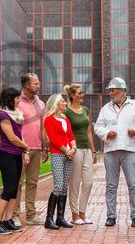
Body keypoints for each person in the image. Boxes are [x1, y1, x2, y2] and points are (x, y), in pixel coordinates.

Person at [94, 77, 135, 228]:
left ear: (122, 90)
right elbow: (97, 127)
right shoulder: (105, 108)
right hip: (111, 150)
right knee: (111, 185)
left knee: (133, 184)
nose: (111, 93)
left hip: (130, 150)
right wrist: (106, 133)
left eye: (113, 90)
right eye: (110, 90)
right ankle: (111, 216)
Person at [0, 87, 29, 235]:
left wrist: (24, 150)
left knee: (14, 189)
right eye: (17, 98)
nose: (19, 100)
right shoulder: (2, 115)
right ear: (10, 98)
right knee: (8, 189)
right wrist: (26, 146)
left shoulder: (17, 114)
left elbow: (20, 135)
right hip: (5, 154)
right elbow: (12, 138)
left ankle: (8, 220)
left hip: (16, 154)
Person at [13, 73, 48, 226]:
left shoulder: (41, 103)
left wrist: (45, 147)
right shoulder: (16, 101)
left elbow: (43, 126)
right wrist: (22, 147)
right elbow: (13, 126)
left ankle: (31, 215)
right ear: (26, 85)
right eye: (35, 83)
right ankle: (14, 216)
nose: (39, 85)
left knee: (33, 182)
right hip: (20, 149)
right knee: (17, 183)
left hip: (37, 148)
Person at [63, 84, 98, 225]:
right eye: (79, 93)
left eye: (83, 92)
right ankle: (75, 215)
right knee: (75, 183)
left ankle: (83, 213)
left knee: (88, 182)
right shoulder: (66, 112)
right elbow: (65, 132)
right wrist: (70, 149)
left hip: (87, 149)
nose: (82, 95)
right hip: (75, 149)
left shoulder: (85, 110)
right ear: (72, 95)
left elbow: (89, 130)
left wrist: (93, 150)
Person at [43, 94, 77, 230]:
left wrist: (73, 148)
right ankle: (49, 219)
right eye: (63, 101)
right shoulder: (49, 120)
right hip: (58, 154)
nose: (65, 103)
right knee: (58, 185)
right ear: (56, 104)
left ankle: (60, 217)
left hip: (69, 154)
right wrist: (66, 151)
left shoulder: (66, 120)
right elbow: (53, 139)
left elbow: (71, 136)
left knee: (64, 187)